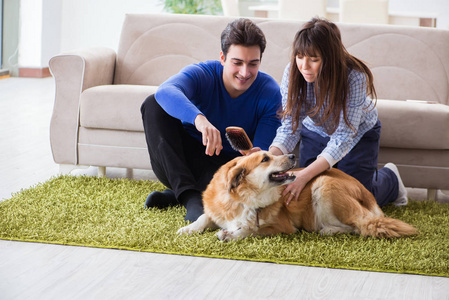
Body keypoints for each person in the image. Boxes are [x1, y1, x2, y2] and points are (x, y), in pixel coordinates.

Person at [141, 18, 282, 222]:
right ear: (223, 58)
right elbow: (165, 91)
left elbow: (259, 157)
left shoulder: (270, 93)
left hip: (225, 171)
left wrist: (253, 155)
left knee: (244, 176)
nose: (245, 72)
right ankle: (191, 199)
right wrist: (199, 119)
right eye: (237, 62)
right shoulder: (204, 74)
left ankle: (180, 194)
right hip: (179, 161)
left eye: (253, 64)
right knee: (153, 104)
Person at [269, 17, 408, 207]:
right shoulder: (292, 71)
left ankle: (390, 179)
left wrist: (306, 173)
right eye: (300, 57)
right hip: (316, 130)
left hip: (358, 134)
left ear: (330, 58)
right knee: (310, 196)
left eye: (314, 59)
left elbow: (344, 136)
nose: (304, 66)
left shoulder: (354, 76)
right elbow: (289, 127)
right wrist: (268, 159)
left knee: (355, 200)